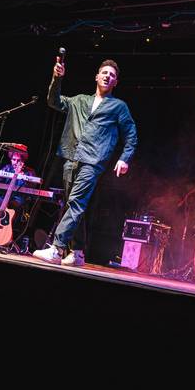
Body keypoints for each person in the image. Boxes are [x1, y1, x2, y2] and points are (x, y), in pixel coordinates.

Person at [33, 58, 138, 267]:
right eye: (105, 73)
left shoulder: (118, 107)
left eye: (113, 75)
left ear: (115, 82)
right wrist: (57, 78)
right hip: (71, 157)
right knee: (73, 205)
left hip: (93, 160)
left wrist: (124, 158)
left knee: (76, 203)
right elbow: (54, 101)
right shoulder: (79, 100)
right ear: (97, 76)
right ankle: (78, 253)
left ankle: (56, 249)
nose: (108, 76)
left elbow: (131, 134)